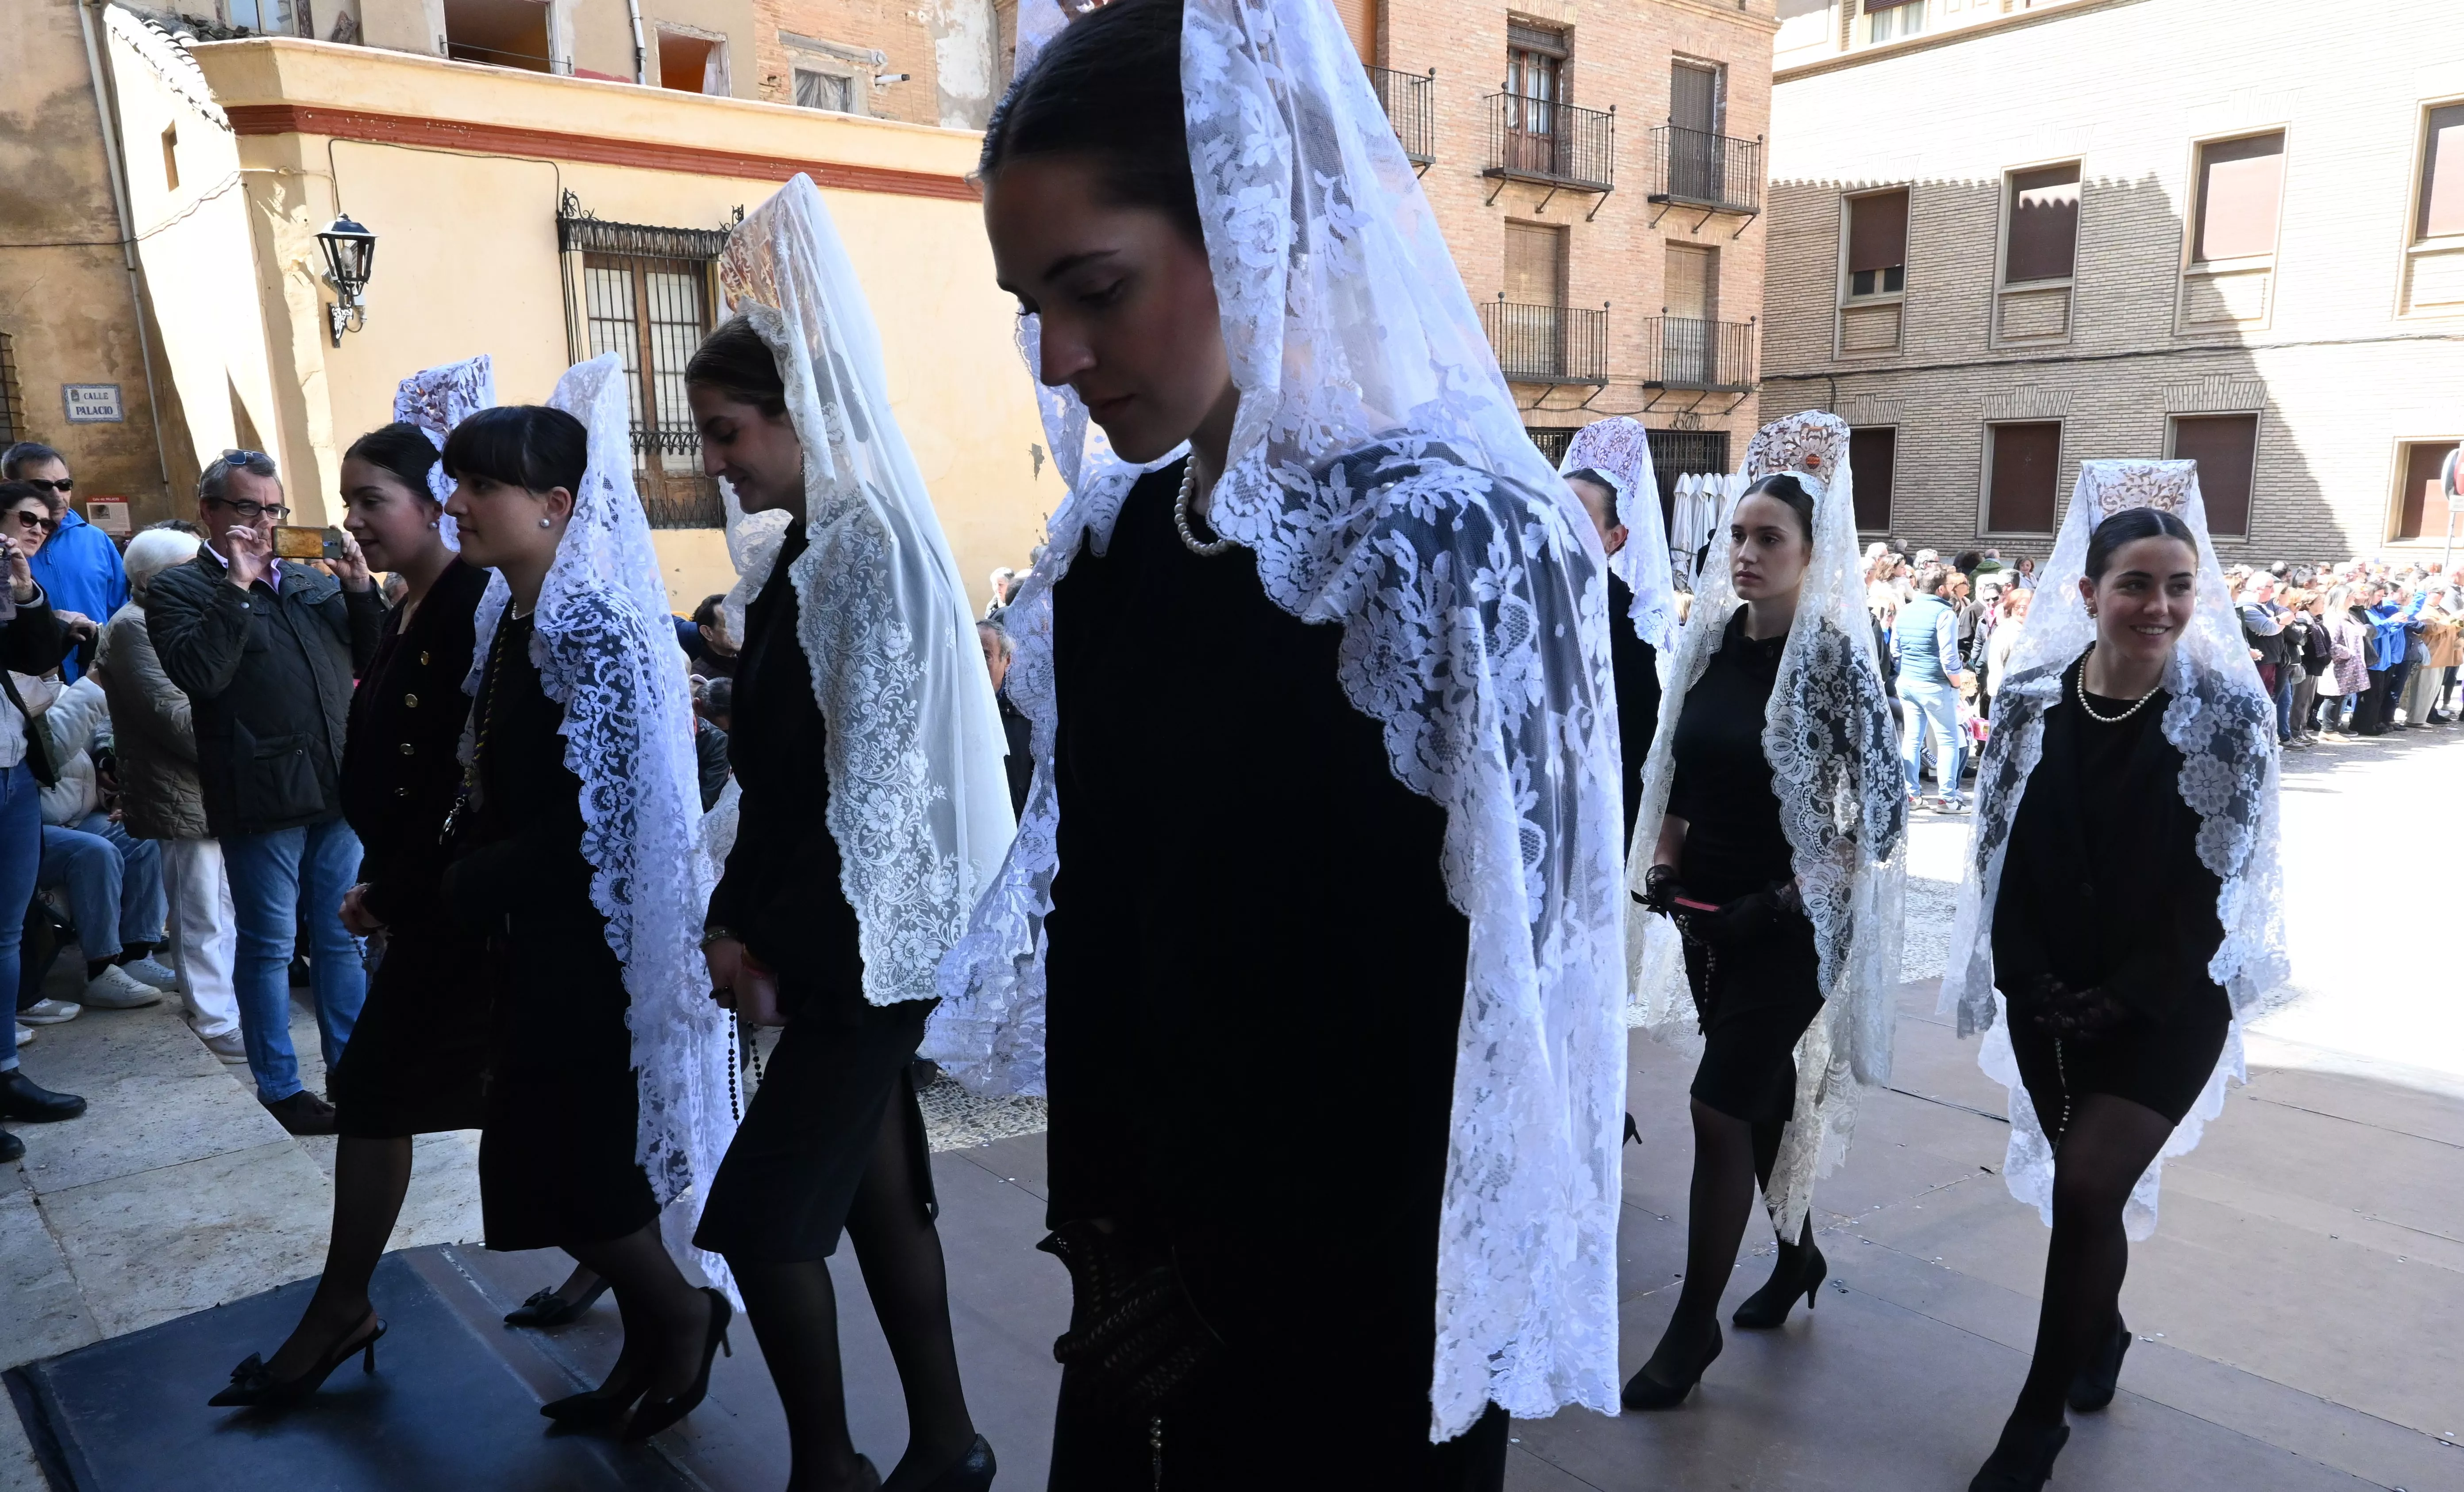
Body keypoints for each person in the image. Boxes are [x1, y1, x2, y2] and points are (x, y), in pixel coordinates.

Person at [938, 0, 1627, 1478]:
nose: (1059, 357)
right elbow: (1102, 930)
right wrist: (1102, 1230)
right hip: (1141, 1285)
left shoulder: (1455, 549)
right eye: (1030, 305)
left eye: (1095, 290)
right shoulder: (1116, 543)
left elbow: (1485, 1005)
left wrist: (1231, 1284)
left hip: (1355, 1310)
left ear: (1252, 223)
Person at [689, 176, 1014, 1492]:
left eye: (727, 432)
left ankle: (830, 1467)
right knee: (880, 1202)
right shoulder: (803, 552)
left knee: (763, 1221)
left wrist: (756, 935)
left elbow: (863, 791)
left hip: (865, 938)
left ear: (793, 415)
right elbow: (784, 772)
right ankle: (947, 1442)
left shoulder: (862, 550)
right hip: (840, 932)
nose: (716, 460)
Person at [1940, 462, 2286, 1492]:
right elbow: (1997, 857)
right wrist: (2027, 977)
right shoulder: (2029, 706)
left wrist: (2127, 994)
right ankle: (2106, 1327)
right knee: (2087, 1199)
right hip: (2049, 996)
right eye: (2136, 583)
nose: (2159, 606)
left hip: (2167, 1005)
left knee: (2088, 1183)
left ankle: (2035, 1418)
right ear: (2087, 591)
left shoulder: (2225, 714)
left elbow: (2217, 883)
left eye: (2178, 585)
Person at [440, 365, 734, 1441]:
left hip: (593, 947)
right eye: (457, 480)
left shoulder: (594, 628)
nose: (457, 502)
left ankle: (682, 1315)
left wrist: (467, 882)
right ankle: (649, 1344)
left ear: (556, 504)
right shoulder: (516, 618)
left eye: (483, 485)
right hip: (537, 938)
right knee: (554, 1162)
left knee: (577, 1167)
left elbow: (604, 819)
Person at [210, 399, 497, 1407]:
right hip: (417, 900)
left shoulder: (469, 605)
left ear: (433, 503)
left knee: (434, 1096)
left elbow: (467, 782)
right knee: (404, 1094)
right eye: (348, 502)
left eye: (372, 501)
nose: (353, 521)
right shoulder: (406, 602)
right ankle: (345, 1306)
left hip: (456, 912)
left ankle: (664, 1301)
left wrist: (395, 889)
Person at [1621, 415, 1905, 1411]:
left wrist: (1783, 896)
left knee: (1717, 1106)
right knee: (1763, 1099)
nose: (1745, 552)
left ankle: (1691, 1326)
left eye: (1768, 538)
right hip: (1707, 919)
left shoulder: (1833, 663)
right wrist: (1665, 862)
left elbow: (1881, 817)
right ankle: (1798, 1255)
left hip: (1793, 928)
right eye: (1736, 535)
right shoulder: (1709, 646)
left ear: (1811, 555)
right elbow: (1680, 777)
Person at [145, 450, 382, 1135]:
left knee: (342, 936)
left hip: (338, 784)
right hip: (262, 794)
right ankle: (280, 1086)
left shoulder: (310, 580)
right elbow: (201, 675)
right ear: (209, 511)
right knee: (270, 945)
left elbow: (370, 659)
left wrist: (361, 592)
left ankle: (353, 1073)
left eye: (273, 508)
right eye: (248, 507)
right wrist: (238, 585)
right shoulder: (179, 588)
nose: (264, 522)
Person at [93, 526, 245, 1062]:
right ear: (154, 578)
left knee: (225, 905)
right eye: (191, 567)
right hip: (180, 789)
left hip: (217, 784)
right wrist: (251, 743)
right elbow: (175, 717)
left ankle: (231, 1005)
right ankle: (214, 1018)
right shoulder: (133, 626)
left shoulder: (183, 616)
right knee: (199, 908)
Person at [0, 503, 85, 1161]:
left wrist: (25, 592)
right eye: (25, 516)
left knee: (5, 934)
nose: (38, 527)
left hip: (11, 770)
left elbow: (35, 656)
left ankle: (4, 1072)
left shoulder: (11, 580)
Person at [1559, 415, 1675, 839]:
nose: (1560, 526)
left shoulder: (1631, 621)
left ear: (1617, 537)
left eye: (1578, 517)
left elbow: (1637, 739)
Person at [31, 674, 173, 1012]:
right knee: (94, 853)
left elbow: (97, 746)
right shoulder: (15, 693)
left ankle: (136, 954)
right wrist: (93, 686)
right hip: (31, 828)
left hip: (80, 817)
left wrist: (112, 786)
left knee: (141, 835)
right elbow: (48, 756)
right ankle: (101, 970)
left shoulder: (63, 689)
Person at [1, 443, 126, 683]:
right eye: (42, 485)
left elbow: (120, 610)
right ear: (10, 486)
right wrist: (57, 624)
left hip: (100, 682)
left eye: (64, 485)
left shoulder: (96, 539)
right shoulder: (7, 552)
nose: (57, 495)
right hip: (29, 690)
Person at [1893, 565, 1973, 811]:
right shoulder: (1945, 613)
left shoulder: (1905, 611)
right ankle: (1947, 799)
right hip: (1935, 684)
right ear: (1940, 589)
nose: (1952, 590)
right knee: (1948, 740)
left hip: (1908, 682)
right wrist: (1957, 682)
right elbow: (1949, 656)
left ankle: (1911, 795)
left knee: (1912, 739)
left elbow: (1896, 651)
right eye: (1949, 586)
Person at [979, 619, 1032, 816]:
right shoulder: (952, 705)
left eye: (985, 656)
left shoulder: (1027, 711)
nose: (976, 663)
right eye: (971, 654)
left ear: (1007, 661)